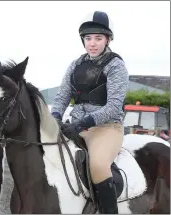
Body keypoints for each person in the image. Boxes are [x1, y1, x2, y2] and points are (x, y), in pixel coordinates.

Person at [51, 11, 129, 213]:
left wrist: (82, 123)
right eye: (88, 38)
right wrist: (56, 117)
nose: (92, 43)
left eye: (98, 38)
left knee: (98, 166)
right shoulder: (76, 64)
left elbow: (113, 106)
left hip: (106, 128)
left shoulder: (116, 65)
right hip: (76, 125)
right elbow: (61, 97)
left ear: (108, 39)